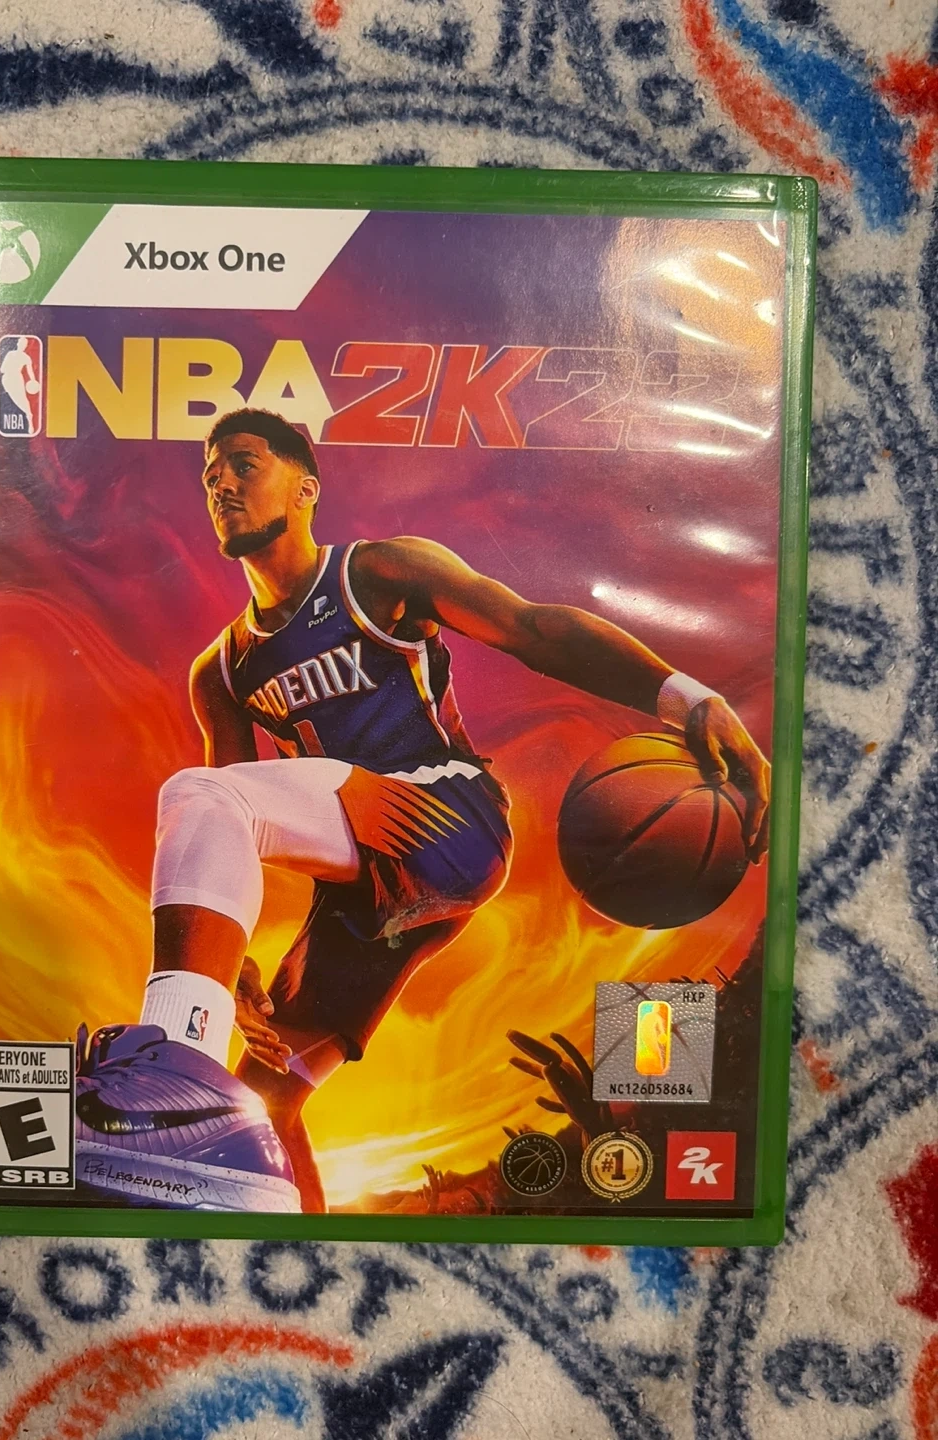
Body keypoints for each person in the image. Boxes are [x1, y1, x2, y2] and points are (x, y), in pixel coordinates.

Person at [75, 408, 770, 1214]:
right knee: (265, 1098)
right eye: (210, 475)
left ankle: (165, 1066)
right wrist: (227, 971)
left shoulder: (377, 573)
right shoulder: (221, 671)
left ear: (305, 488)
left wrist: (689, 698)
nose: (221, 484)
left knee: (192, 792)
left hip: (449, 822)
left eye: (243, 464)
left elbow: (532, 628)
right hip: (368, 898)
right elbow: (231, 828)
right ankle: (286, 1236)